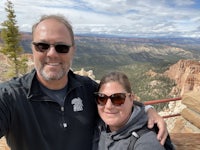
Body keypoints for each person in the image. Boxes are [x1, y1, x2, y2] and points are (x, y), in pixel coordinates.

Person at [0, 14, 167, 150]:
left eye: (61, 47)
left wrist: (147, 110)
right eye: (42, 46)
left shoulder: (86, 88)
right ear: (32, 48)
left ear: (73, 50)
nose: (51, 54)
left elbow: (115, 100)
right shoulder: (10, 97)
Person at [93, 71, 173, 150]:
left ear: (131, 98)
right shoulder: (99, 124)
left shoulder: (146, 142)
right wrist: (148, 109)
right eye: (102, 98)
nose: (108, 106)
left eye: (117, 98)